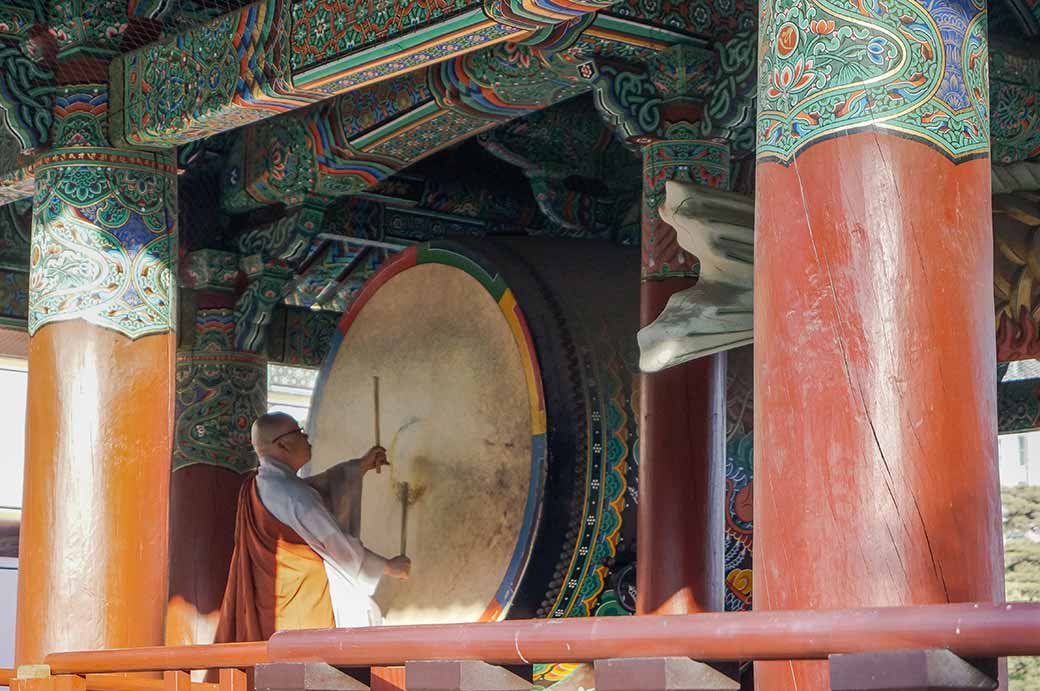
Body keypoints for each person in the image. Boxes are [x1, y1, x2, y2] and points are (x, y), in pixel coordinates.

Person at [214, 412, 410, 643]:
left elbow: (315, 488)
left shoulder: (262, 485)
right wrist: (388, 566)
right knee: (309, 661)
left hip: (272, 607)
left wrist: (360, 466)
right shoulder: (294, 496)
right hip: (301, 607)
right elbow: (337, 545)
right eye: (299, 432)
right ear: (283, 445)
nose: (307, 438)